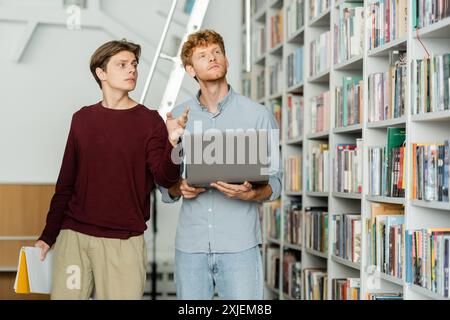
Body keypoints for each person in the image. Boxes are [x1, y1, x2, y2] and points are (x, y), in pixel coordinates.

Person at [34, 39, 188, 300]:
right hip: (74, 238)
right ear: (101, 73)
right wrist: (48, 236)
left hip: (124, 242)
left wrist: (174, 143)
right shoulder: (81, 119)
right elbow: (66, 183)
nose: (132, 70)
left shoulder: (150, 121)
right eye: (123, 64)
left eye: (134, 65)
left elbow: (164, 176)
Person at [160, 29, 282, 299]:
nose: (212, 58)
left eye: (217, 52)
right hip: (191, 247)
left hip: (241, 246)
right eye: (202, 55)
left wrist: (252, 193)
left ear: (226, 60)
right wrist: (179, 188)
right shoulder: (177, 116)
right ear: (191, 69)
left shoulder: (258, 115)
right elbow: (164, 187)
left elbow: (276, 182)